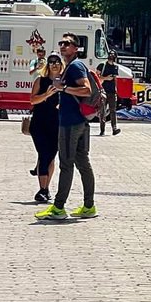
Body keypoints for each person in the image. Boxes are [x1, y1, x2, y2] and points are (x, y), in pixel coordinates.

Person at [35, 35, 97, 220]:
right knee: (83, 164)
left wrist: (63, 89)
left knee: (67, 164)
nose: (63, 46)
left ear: (76, 48)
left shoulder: (76, 66)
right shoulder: (73, 66)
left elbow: (87, 90)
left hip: (71, 123)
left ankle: (59, 207)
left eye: (67, 44)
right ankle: (89, 206)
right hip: (80, 121)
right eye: (61, 43)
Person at [28, 54, 63, 204]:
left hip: (57, 124)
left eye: (57, 62)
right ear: (47, 65)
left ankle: (46, 188)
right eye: (51, 62)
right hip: (39, 123)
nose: (54, 65)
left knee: (50, 156)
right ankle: (42, 190)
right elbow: (33, 100)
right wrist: (46, 94)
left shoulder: (65, 82)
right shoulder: (40, 81)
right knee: (44, 154)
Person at [98, 50, 122, 136]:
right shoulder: (102, 65)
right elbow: (97, 77)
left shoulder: (115, 67)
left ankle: (114, 128)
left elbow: (115, 78)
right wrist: (106, 78)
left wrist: (116, 89)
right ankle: (102, 130)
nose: (111, 56)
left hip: (112, 91)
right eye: (110, 54)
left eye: (113, 55)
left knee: (113, 111)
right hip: (103, 91)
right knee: (102, 111)